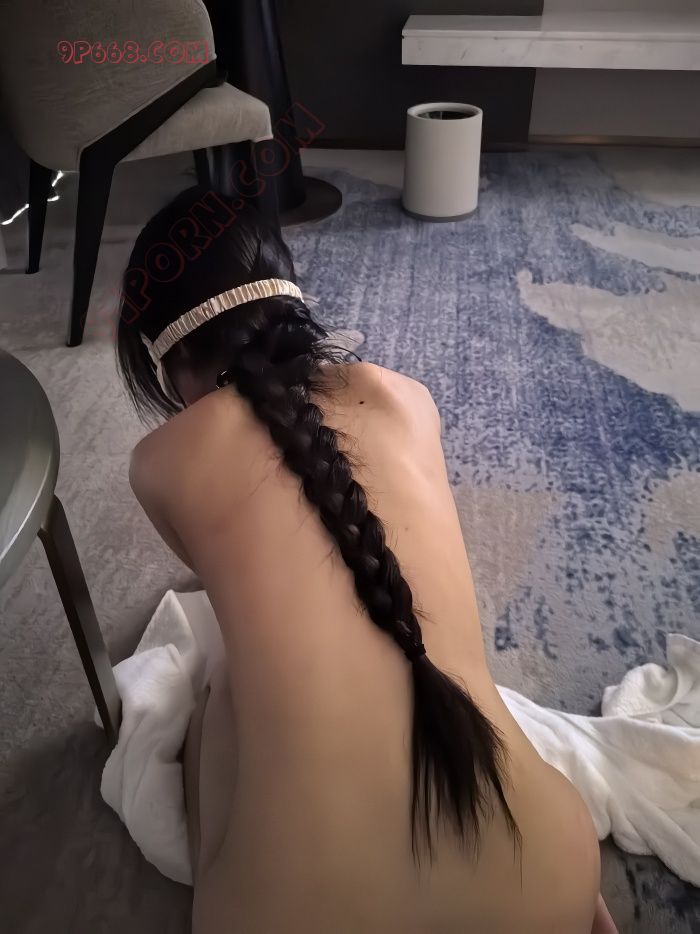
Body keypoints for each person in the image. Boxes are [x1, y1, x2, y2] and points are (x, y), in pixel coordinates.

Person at [117, 186, 616, 934]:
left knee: (222, 685)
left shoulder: (160, 463)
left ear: (167, 358)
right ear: (289, 298)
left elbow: (208, 575)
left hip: (292, 915)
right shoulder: (408, 398)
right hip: (556, 872)